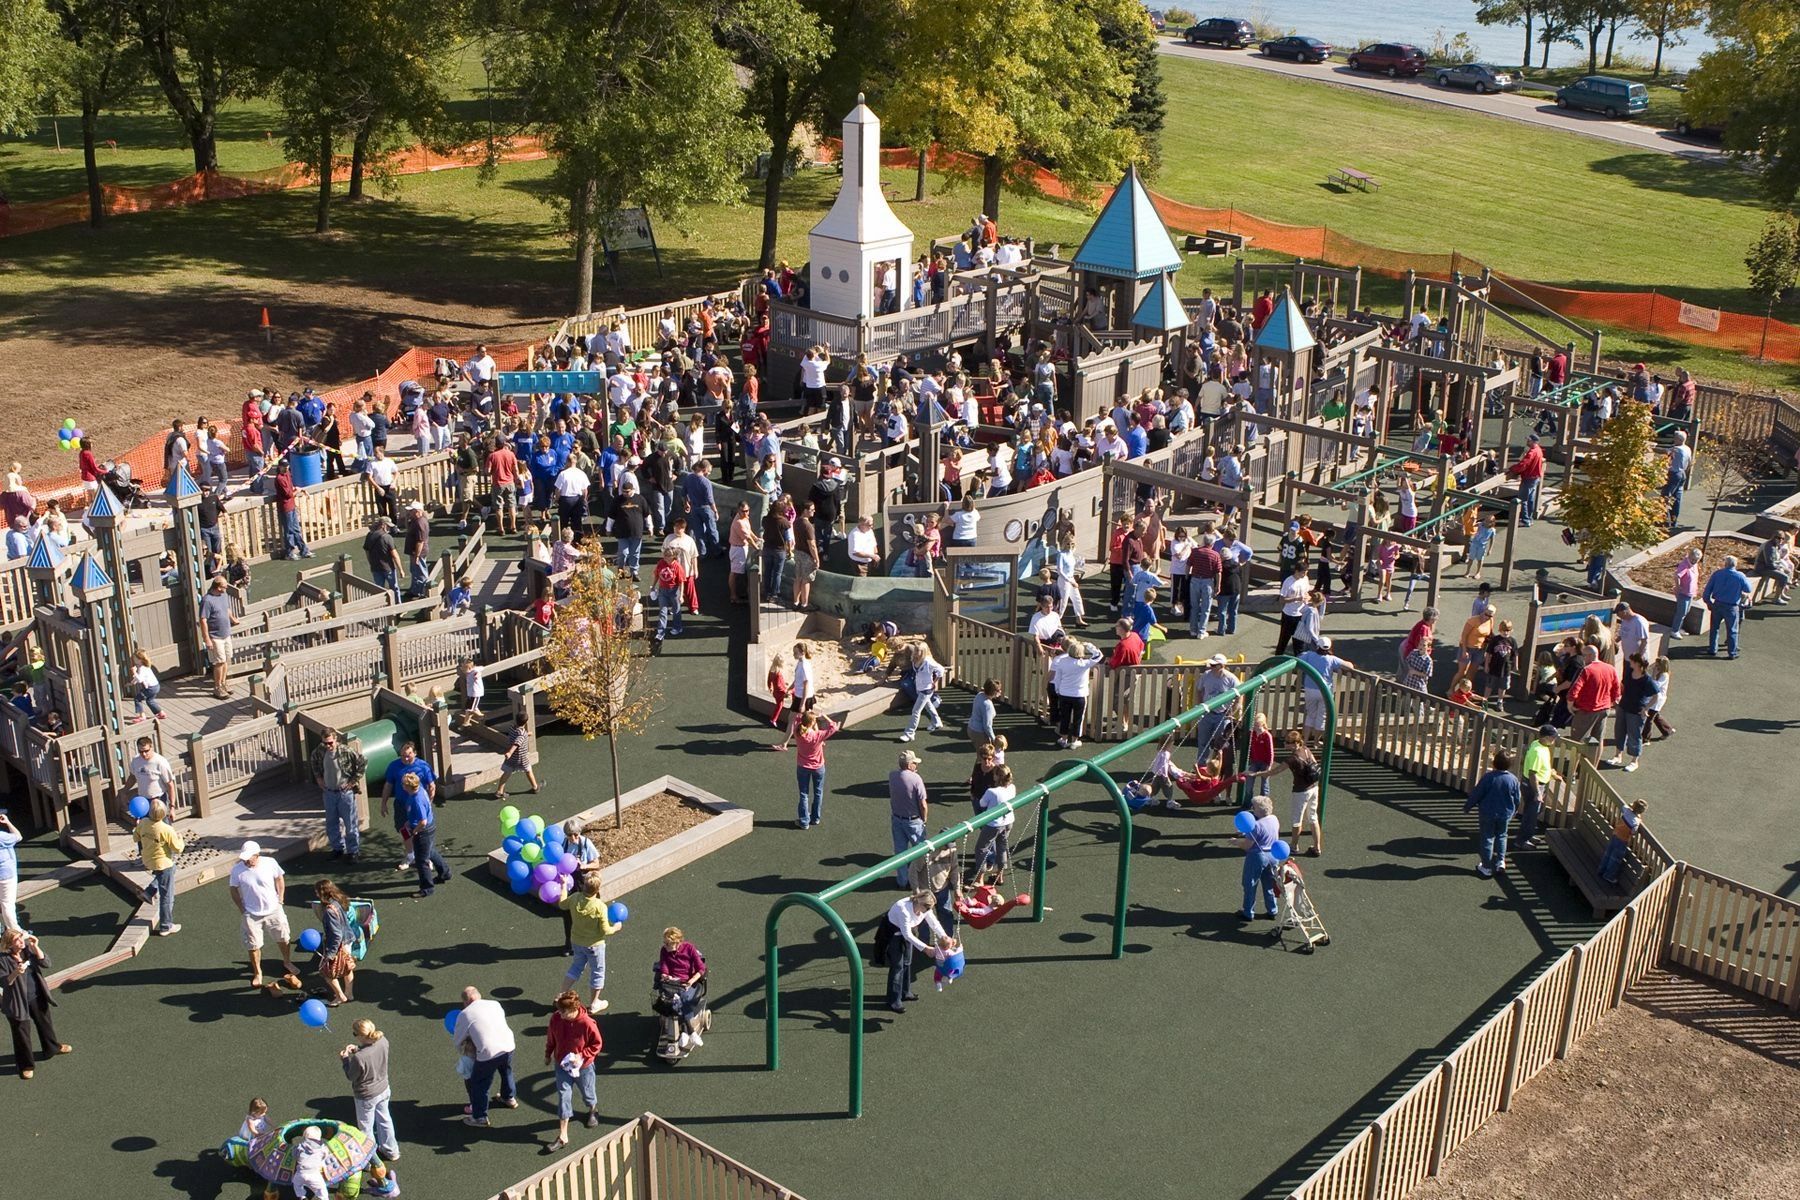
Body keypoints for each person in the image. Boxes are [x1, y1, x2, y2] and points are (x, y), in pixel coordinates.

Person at [228, 841, 296, 989]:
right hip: (251, 915)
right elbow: (233, 889)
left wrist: (281, 898)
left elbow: (279, 878)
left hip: (274, 910)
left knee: (284, 938)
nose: (246, 860)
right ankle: (258, 972)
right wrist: (242, 908)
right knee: (253, 946)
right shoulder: (237, 870)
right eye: (244, 857)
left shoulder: (270, 863)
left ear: (257, 854)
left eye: (249, 857)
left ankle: (287, 961)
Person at [544, 989, 603, 1149]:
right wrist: (548, 1053)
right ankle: (563, 1134)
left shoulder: (587, 1023)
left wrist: (582, 1055)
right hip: (562, 1065)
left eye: (563, 1012)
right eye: (559, 1011)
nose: (560, 1014)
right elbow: (551, 1037)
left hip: (583, 1066)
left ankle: (592, 1109)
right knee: (564, 1095)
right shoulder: (556, 1018)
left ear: (573, 1010)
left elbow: (597, 1044)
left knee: (588, 1092)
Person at [451, 986, 518, 1127]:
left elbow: (458, 1039)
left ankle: (480, 1117)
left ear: (465, 1002)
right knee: (506, 1071)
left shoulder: (465, 1014)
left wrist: (462, 1049)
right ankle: (509, 1098)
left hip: (488, 1053)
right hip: (508, 1045)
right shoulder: (495, 1004)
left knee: (479, 1083)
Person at [558, 872, 622, 1014]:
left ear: (583, 885)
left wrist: (563, 885)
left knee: (576, 966)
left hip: (576, 942)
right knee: (597, 972)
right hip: (595, 945)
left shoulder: (574, 898)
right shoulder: (600, 907)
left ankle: (561, 995)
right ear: (598, 890)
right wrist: (616, 928)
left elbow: (562, 904)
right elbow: (605, 930)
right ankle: (594, 1004)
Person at [340, 1018, 400, 1163]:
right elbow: (372, 1053)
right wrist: (358, 1049)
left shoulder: (359, 1058)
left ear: (361, 1036)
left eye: (355, 1034)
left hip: (366, 1095)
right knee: (385, 1120)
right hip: (384, 1088)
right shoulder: (383, 1041)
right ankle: (391, 1151)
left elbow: (351, 1076)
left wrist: (345, 1060)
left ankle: (371, 1160)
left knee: (365, 1128)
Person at [880, 888, 948, 1013]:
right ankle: (893, 1000)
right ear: (919, 902)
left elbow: (934, 923)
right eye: (927, 908)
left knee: (907, 962)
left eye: (930, 908)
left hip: (907, 932)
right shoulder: (903, 909)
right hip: (894, 935)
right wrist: (926, 948)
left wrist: (944, 936)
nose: (928, 911)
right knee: (897, 967)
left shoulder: (925, 908)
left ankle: (905, 992)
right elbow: (907, 935)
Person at [310, 729, 367, 864]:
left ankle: (353, 851)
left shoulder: (346, 751)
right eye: (325, 743)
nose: (328, 746)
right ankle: (337, 849)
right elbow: (314, 761)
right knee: (331, 823)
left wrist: (353, 781)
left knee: (350, 823)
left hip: (344, 793)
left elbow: (363, 762)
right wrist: (318, 777)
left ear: (335, 739)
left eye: (330, 743)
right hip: (329, 792)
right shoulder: (320, 751)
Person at [1463, 749, 1521, 879]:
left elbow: (1478, 793)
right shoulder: (1513, 780)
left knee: (1487, 838)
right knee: (1502, 836)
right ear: (1509, 765)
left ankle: (1486, 866)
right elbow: (1517, 798)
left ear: (1494, 764)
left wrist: (1468, 806)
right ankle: (1501, 861)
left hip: (1487, 813)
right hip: (1504, 814)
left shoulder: (1488, 778)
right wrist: (1514, 811)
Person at [131, 799, 185, 937]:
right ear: (164, 813)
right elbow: (177, 848)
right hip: (163, 863)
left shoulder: (143, 823)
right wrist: (180, 839)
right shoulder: (166, 829)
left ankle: (149, 892)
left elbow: (135, 838)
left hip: (149, 860)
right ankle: (166, 926)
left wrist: (138, 827)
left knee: (172, 870)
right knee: (167, 896)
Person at [395, 769, 452, 898]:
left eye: (403, 784)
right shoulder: (419, 790)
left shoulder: (417, 800)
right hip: (428, 828)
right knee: (430, 851)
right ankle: (445, 873)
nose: (402, 785)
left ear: (409, 786)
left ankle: (427, 888)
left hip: (423, 831)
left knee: (421, 861)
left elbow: (423, 821)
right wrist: (409, 823)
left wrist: (414, 830)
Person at [1606, 654, 1662, 773]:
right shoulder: (1629, 674)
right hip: (1623, 707)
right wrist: (1618, 697)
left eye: (1632, 661)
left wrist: (1646, 708)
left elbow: (1656, 696)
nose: (1630, 662)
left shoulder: (1647, 680)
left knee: (1634, 735)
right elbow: (1623, 685)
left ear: (1638, 663)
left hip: (1636, 711)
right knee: (1619, 731)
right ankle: (1618, 755)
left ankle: (1634, 761)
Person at [1048, 637, 1105, 750]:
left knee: (1065, 717)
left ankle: (1063, 739)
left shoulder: (1061, 662)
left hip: (1064, 694)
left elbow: (1057, 679)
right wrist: (1089, 644)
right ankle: (1075, 740)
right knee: (1078, 718)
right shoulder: (1084, 663)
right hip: (1079, 695)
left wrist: (1059, 690)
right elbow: (1099, 655)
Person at [785, 709, 838, 830]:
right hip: (818, 767)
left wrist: (807, 716)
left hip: (803, 767)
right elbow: (834, 727)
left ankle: (804, 821)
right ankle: (815, 818)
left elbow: (797, 719)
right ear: (813, 723)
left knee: (804, 794)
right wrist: (825, 716)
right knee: (818, 793)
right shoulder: (818, 735)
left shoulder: (798, 731)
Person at [656, 927, 708, 1047]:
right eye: (665, 943)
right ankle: (690, 1032)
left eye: (668, 944)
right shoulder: (664, 951)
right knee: (676, 999)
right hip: (672, 984)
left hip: (688, 982)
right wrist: (665, 976)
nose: (665, 946)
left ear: (677, 942)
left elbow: (701, 968)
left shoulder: (689, 948)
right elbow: (664, 968)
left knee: (681, 999)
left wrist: (690, 981)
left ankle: (685, 1031)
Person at [1296, 638, 1352, 743]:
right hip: (1325, 691)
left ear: (1318, 646)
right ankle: (1316, 742)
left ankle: (1305, 741)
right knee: (1322, 717)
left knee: (1310, 715)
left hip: (1310, 689)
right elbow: (1349, 666)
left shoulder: (1309, 655)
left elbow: (1297, 659)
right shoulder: (1332, 659)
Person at [311, 880, 356, 1006]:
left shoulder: (329, 910)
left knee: (327, 972)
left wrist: (331, 954)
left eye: (316, 891)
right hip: (348, 939)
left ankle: (340, 996)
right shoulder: (339, 901)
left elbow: (336, 935)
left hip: (337, 945)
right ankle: (349, 993)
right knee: (347, 967)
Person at [889, 750, 930, 887]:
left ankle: (902, 881)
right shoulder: (916, 779)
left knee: (900, 852)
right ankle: (921, 881)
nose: (916, 765)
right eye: (914, 763)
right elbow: (923, 804)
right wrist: (924, 819)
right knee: (921, 852)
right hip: (913, 821)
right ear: (909, 764)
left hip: (897, 819)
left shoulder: (893, 776)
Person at [1517, 725, 1562, 850]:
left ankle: (1528, 835)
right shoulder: (1537, 751)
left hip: (1537, 784)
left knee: (1536, 811)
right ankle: (1521, 840)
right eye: (1553, 737)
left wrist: (1552, 774)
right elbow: (1532, 773)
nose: (1554, 740)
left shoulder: (1539, 744)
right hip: (1533, 786)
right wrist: (1537, 793)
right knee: (1530, 814)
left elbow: (1543, 766)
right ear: (1546, 737)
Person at [1237, 797, 1281, 921]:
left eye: (1254, 807)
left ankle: (1248, 912)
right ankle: (1272, 910)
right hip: (1273, 855)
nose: (1252, 809)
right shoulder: (1274, 819)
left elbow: (1247, 846)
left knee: (1250, 884)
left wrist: (1236, 842)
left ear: (1259, 810)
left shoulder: (1256, 826)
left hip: (1257, 856)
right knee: (1269, 884)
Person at [1566, 645, 1620, 747]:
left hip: (1587, 710)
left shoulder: (1587, 670)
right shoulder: (1610, 669)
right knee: (1598, 740)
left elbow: (1574, 691)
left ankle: (1576, 762)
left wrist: (1570, 705)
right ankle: (1593, 762)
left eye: (1584, 656)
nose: (1583, 658)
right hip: (1604, 709)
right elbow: (1616, 690)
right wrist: (1611, 702)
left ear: (1590, 655)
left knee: (1578, 741)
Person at [1281, 731, 1323, 857]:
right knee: (1313, 817)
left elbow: (1275, 771)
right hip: (1314, 788)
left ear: (1296, 743)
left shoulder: (1293, 759)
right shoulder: (1306, 750)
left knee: (1296, 820)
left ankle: (1294, 846)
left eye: (1288, 742)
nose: (1285, 744)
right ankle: (1317, 847)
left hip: (1301, 791)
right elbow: (1315, 764)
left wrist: (1257, 774)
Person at [1702, 555, 1752, 659]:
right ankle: (1732, 653)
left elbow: (1707, 592)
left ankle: (1712, 649)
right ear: (1735, 565)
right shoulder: (1740, 576)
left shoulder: (1717, 574)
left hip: (1717, 604)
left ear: (1725, 563)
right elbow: (1748, 589)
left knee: (1714, 628)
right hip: (1731, 607)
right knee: (1732, 630)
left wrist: (1709, 603)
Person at [199, 575, 239, 700]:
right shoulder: (207, 600)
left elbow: (227, 609)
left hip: (226, 633)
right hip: (215, 636)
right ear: (218, 587)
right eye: (224, 586)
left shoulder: (223, 596)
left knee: (226, 659)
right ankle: (217, 687)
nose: (226, 588)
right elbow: (203, 620)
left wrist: (233, 619)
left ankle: (223, 682)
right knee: (219, 661)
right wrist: (207, 639)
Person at [899, 643, 946, 742]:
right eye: (915, 650)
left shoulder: (928, 661)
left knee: (916, 711)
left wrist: (934, 682)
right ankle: (937, 721)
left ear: (923, 651)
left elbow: (941, 670)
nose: (916, 652)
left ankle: (910, 733)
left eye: (918, 651)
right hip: (919, 687)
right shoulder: (915, 659)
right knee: (928, 705)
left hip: (926, 689)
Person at [1597, 799, 1647, 884]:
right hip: (1622, 841)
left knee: (1608, 853)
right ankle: (1608, 875)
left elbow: (1625, 806)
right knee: (1615, 859)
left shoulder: (1627, 811)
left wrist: (1631, 805)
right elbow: (1633, 832)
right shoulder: (1636, 822)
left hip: (1615, 835)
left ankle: (1601, 870)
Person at [497, 719, 541, 796]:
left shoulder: (512, 728)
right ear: (526, 722)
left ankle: (499, 792)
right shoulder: (522, 734)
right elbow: (517, 743)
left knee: (507, 772)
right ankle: (535, 787)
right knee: (528, 770)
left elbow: (518, 736)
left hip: (511, 758)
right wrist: (510, 752)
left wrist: (527, 734)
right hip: (521, 758)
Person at [1670, 545, 1701, 639]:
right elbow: (1677, 576)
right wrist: (1678, 586)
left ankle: (1679, 628)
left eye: (1697, 560)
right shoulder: (1684, 565)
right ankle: (1674, 630)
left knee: (1685, 612)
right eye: (1693, 559)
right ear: (1690, 556)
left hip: (1690, 593)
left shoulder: (1694, 565)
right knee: (1681, 612)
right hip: (1683, 593)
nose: (1694, 561)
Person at [128, 649, 164, 722]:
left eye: (135, 658)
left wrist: (134, 672)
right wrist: (132, 682)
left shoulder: (142, 668)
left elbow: (140, 679)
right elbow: (140, 678)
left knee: (137, 699)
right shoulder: (145, 667)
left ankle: (142, 716)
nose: (133, 659)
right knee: (150, 700)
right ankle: (161, 713)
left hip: (150, 688)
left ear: (140, 660)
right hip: (156, 686)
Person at [0, 811, 21, 933]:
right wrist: (8, 822)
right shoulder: (2, 837)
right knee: (7, 905)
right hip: (6, 875)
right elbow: (18, 836)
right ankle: (16, 933)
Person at [967, 678, 1001, 747]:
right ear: (994, 692)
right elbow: (987, 726)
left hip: (971, 728)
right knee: (986, 755)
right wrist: (993, 739)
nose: (1000, 691)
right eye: (998, 690)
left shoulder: (979, 695)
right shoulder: (988, 705)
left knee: (980, 754)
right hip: (979, 733)